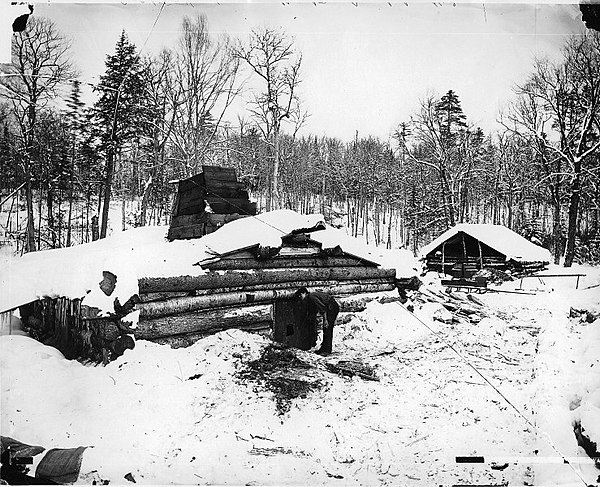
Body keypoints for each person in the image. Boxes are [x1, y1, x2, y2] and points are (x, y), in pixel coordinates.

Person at [293, 287, 339, 355]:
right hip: (329, 307)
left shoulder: (312, 297)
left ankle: (327, 350)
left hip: (331, 307)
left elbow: (323, 308)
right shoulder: (309, 299)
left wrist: (325, 320)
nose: (300, 297)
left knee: (327, 328)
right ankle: (323, 349)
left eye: (300, 295)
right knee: (325, 329)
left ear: (304, 293)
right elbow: (313, 311)